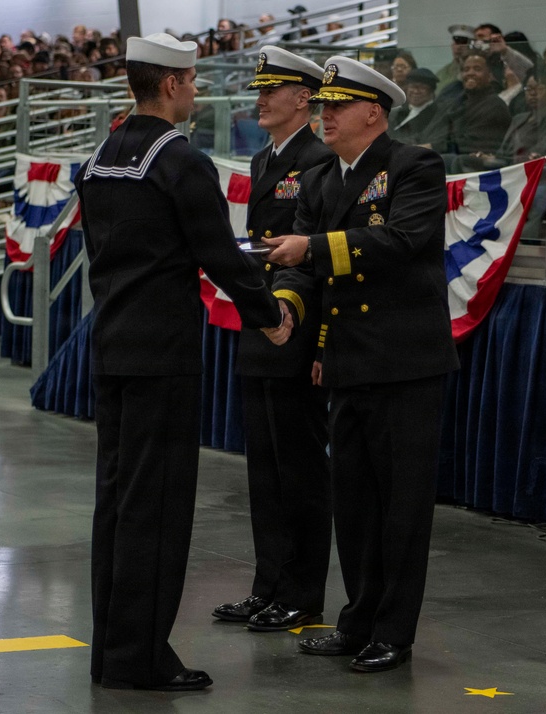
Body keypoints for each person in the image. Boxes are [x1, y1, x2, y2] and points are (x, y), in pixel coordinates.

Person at [74, 32, 290, 692]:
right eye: (192, 81)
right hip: (163, 353)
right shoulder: (180, 161)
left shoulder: (102, 157)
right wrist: (269, 314)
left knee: (116, 503)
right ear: (170, 85)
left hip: (112, 344)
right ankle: (140, 658)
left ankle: (113, 649)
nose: (196, 91)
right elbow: (218, 254)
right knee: (157, 509)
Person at [264, 56, 460, 672]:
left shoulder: (414, 166)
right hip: (348, 360)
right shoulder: (322, 177)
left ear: (372, 111)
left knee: (400, 506)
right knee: (353, 505)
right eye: (320, 105)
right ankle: (357, 620)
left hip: (404, 362)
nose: (324, 115)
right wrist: (290, 309)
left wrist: (314, 248)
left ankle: (393, 632)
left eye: (336, 106)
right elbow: (299, 265)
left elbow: (401, 242)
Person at [211, 46, 334, 632]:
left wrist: (310, 336)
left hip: (296, 326)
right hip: (261, 322)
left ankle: (302, 591)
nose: (259, 99)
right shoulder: (265, 160)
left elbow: (314, 257)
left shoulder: (319, 160)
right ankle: (269, 585)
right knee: (264, 468)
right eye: (259, 89)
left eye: (272, 90)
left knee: (300, 468)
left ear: (303, 99)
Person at [388, 68, 441, 145]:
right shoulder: (395, 112)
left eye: (422, 88)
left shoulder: (436, 115)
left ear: (431, 91)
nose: (416, 91)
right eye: (412, 87)